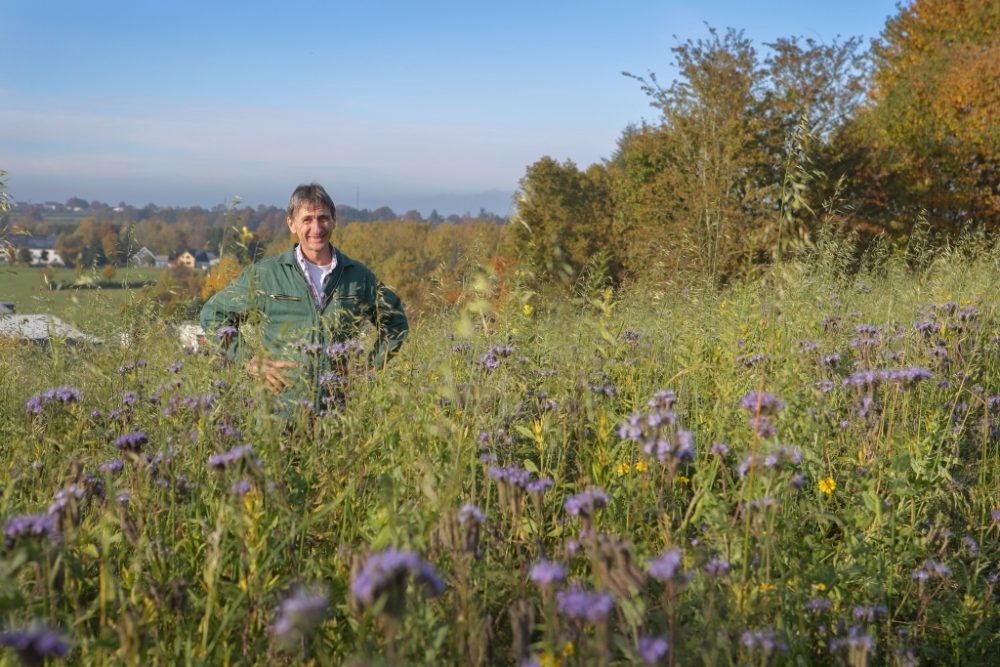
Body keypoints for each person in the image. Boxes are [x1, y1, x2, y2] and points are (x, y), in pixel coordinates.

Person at [200, 182, 408, 412]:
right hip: (279, 413)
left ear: (334, 220)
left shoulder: (358, 276)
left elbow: (395, 321)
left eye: (323, 218)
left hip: (338, 413)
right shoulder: (267, 274)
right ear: (292, 224)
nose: (316, 228)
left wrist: (371, 368)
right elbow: (214, 315)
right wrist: (249, 360)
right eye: (307, 219)